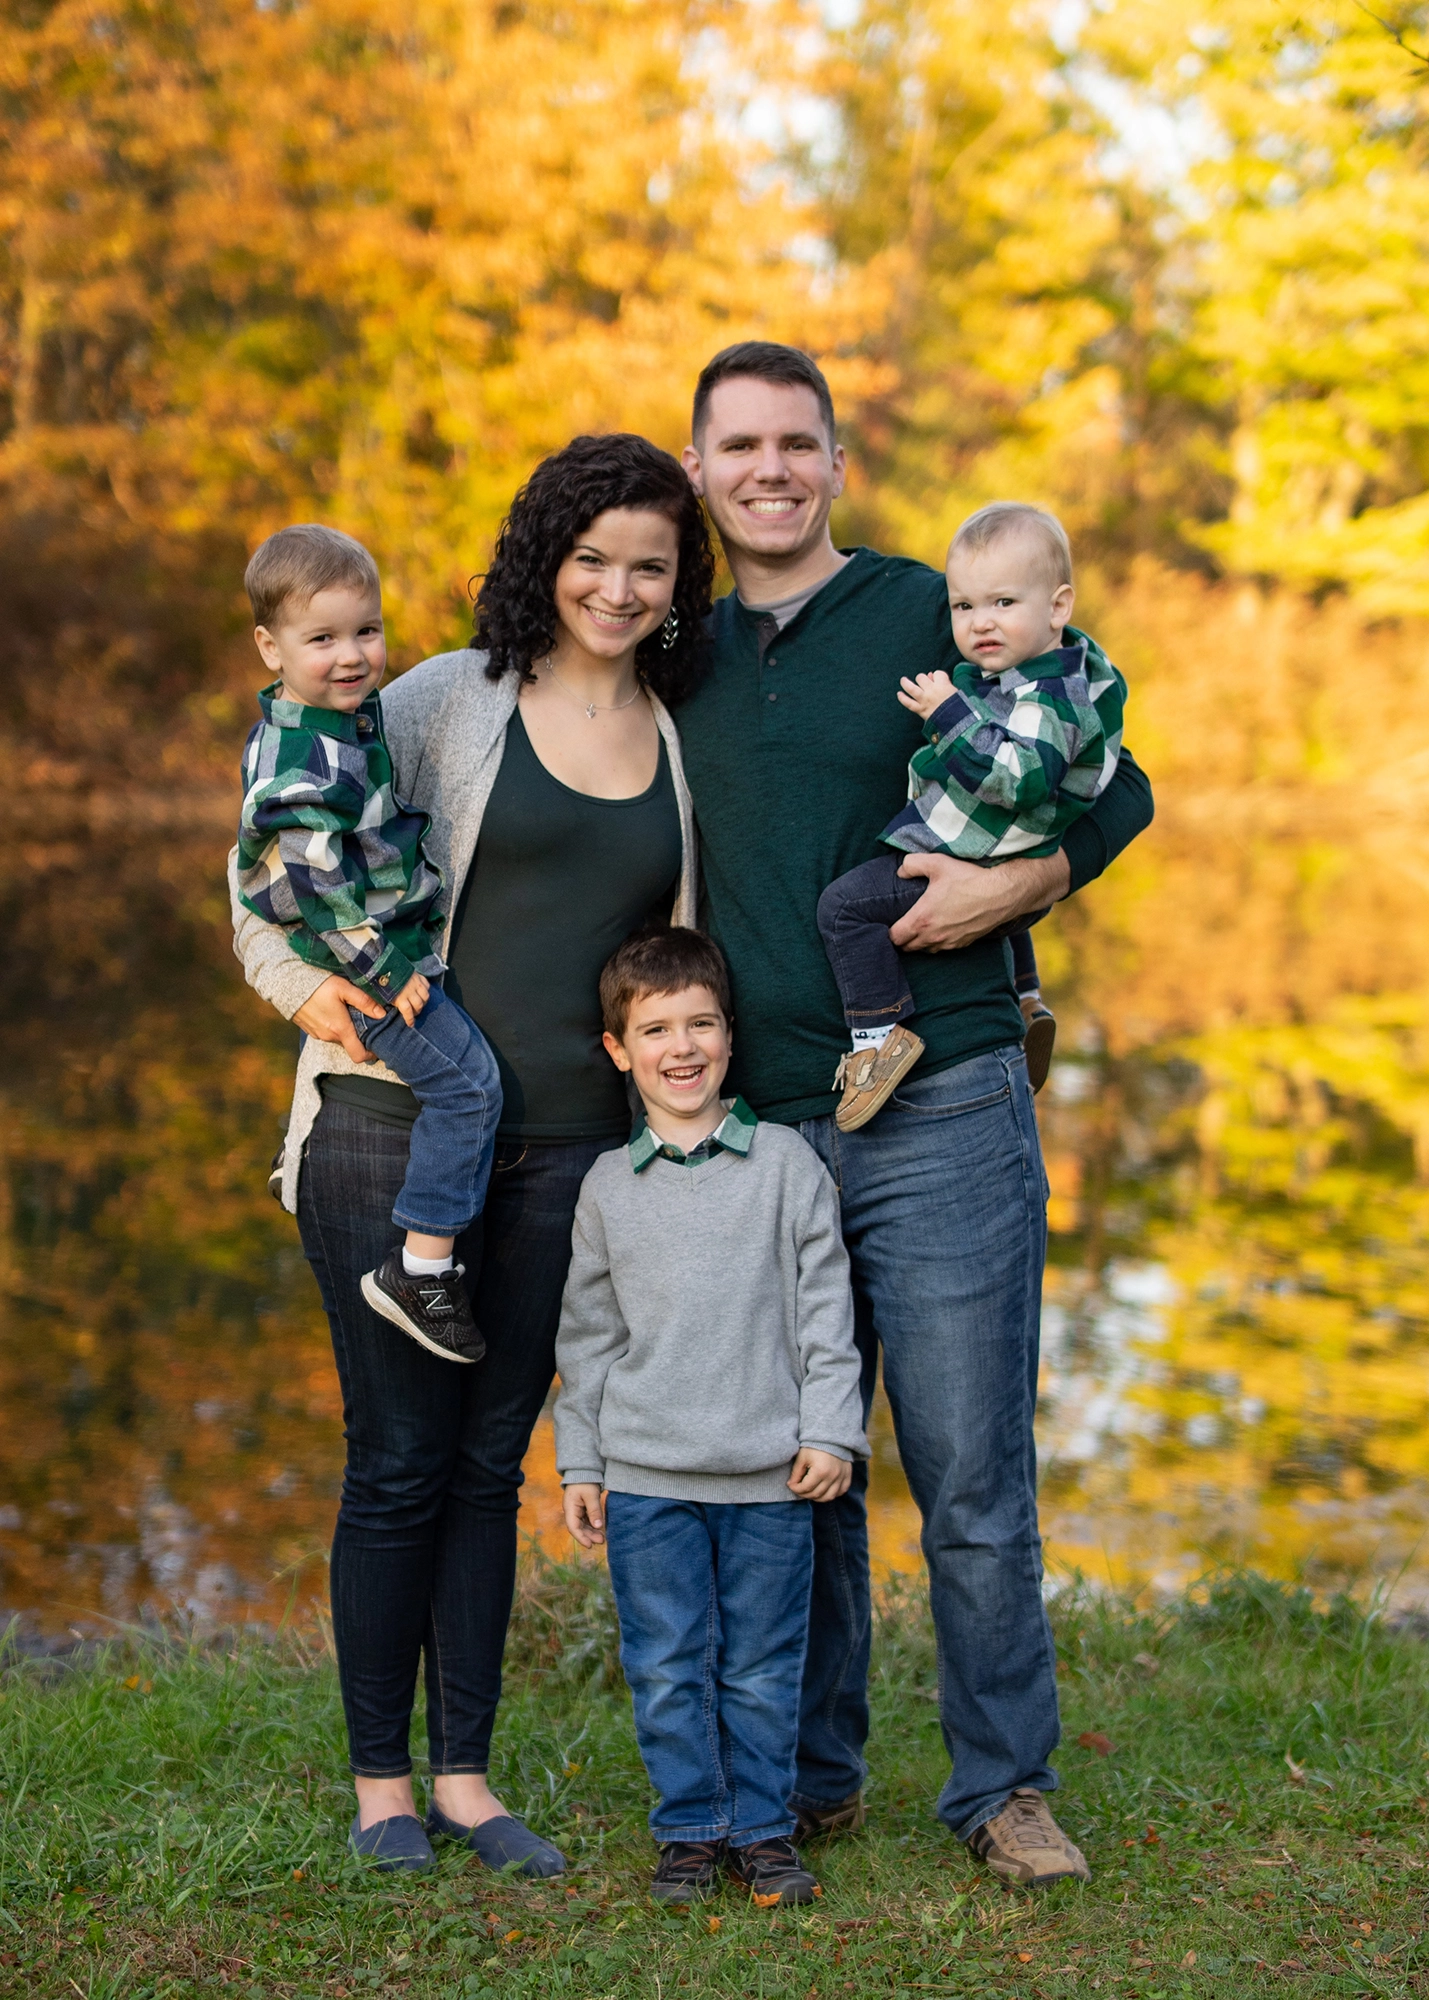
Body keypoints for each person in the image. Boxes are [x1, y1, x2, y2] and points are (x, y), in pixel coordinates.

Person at [676, 341, 1155, 1888]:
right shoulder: (667, 641)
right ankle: (810, 1773)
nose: (768, 468)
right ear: (698, 469)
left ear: (835, 460)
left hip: (942, 1097)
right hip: (763, 1118)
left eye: (795, 442)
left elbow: (1117, 784)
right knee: (799, 1471)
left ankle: (1003, 1787)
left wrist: (1023, 885)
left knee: (969, 1475)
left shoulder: (928, 608)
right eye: (739, 444)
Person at [229, 435, 711, 1873]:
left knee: (488, 1465)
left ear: (677, 582)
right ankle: (380, 1785)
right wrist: (296, 988)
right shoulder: (444, 694)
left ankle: (464, 1780)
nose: (616, 588)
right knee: (396, 1463)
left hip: (569, 1153)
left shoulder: (680, 733)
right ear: (545, 558)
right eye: (591, 556)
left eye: (648, 564)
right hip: (388, 1128)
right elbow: (271, 859)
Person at [555, 927, 867, 1910]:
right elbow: (588, 1337)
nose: (681, 1047)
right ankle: (691, 1827)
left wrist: (830, 1431)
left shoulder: (784, 1164)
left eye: (700, 1024)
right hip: (647, 1478)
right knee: (665, 1664)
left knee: (765, 1664)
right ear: (619, 1050)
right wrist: (580, 1462)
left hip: (769, 1476)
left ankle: (764, 1830)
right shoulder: (608, 1187)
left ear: (730, 1035)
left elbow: (826, 1312)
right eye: (655, 1029)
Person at [237, 524, 501, 1362]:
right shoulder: (303, 759)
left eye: (367, 631)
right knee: (468, 1089)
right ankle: (418, 1270)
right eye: (322, 639)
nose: (351, 655)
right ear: (270, 647)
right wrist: (384, 968)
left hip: (382, 954)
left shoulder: (342, 719)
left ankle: (330, 1185)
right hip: (367, 970)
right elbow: (307, 881)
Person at [815, 501, 1125, 1131]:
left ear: (1058, 608)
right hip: (1006, 850)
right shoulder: (1047, 672)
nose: (981, 622)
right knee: (1003, 918)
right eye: (963, 607)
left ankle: (879, 1041)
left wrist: (949, 712)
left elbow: (1021, 777)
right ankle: (1028, 999)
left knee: (845, 910)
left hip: (975, 852)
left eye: (1003, 603)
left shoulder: (1046, 697)